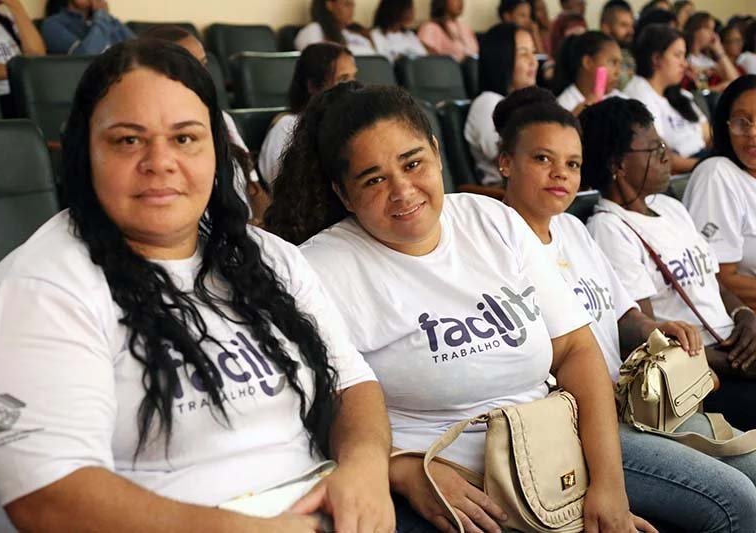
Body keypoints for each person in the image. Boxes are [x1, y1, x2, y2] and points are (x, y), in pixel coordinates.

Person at [0, 40, 395, 532]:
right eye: (128, 140)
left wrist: (364, 467)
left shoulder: (270, 257)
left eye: (185, 138)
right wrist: (240, 530)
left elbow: (350, 383)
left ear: (215, 150)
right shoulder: (34, 293)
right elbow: (49, 498)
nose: (160, 161)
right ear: (84, 151)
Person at [265, 80, 654, 533]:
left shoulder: (492, 220)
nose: (403, 190)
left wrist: (608, 485)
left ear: (436, 152)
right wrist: (402, 469)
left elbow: (576, 350)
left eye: (413, 163)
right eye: (374, 179)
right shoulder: (318, 268)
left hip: (552, 441)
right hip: (445, 471)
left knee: (725, 498)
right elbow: (310, 415)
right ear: (344, 193)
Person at [502, 86, 756, 533]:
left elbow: (626, 317)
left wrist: (660, 330)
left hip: (636, 403)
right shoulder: (498, 247)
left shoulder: (573, 231)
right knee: (737, 500)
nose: (560, 173)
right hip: (582, 423)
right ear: (506, 162)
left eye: (572, 163)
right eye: (542, 159)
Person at [581, 96, 756, 431]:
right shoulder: (610, 229)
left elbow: (712, 282)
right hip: (698, 375)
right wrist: (736, 364)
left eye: (663, 145)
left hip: (732, 349)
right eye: (654, 148)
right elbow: (647, 339)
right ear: (618, 164)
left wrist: (744, 315)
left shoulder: (669, 207)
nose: (666, 156)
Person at [140, 25, 271, 224]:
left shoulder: (222, 120)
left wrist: (263, 223)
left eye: (203, 64)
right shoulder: (152, 129)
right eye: (190, 65)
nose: (203, 74)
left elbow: (254, 188)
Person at [684, 75, 756, 312]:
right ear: (725, 126)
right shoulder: (717, 174)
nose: (752, 132)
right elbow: (718, 279)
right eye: (741, 122)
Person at [259, 42, 357, 185]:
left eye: (353, 77)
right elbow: (282, 188)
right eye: (343, 79)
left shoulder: (351, 124)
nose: (353, 87)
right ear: (313, 86)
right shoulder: (287, 127)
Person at [624, 24, 710, 173]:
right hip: (685, 172)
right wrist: (707, 165)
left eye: (684, 56)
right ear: (656, 58)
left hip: (702, 161)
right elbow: (660, 155)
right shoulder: (639, 93)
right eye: (677, 55)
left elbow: (708, 135)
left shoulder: (680, 94)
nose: (684, 64)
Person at [464, 23, 537, 185]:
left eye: (533, 52)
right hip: (503, 193)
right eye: (523, 54)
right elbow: (510, 161)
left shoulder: (529, 104)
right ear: (501, 58)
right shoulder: (487, 103)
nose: (533, 61)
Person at [554, 31, 625, 115]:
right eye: (612, 62)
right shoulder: (563, 106)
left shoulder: (621, 101)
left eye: (620, 64)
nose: (618, 72)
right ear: (587, 62)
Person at [41, 0, 134, 55]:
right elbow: (85, 58)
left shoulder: (108, 20)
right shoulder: (53, 24)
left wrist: (106, 16)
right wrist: (101, 14)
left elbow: (138, 52)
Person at [295, 0, 375, 55]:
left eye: (353, 5)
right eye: (347, 4)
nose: (352, 11)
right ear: (329, 5)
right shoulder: (313, 30)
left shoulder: (355, 32)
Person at [684, 12, 739, 92]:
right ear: (695, 30)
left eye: (713, 29)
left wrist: (719, 51)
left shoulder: (707, 60)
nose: (712, 34)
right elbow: (701, 91)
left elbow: (735, 81)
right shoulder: (685, 58)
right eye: (708, 28)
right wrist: (720, 87)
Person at [600, 0, 635, 89]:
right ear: (606, 27)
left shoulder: (630, 54)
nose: (631, 31)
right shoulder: (598, 58)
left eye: (631, 25)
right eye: (624, 25)